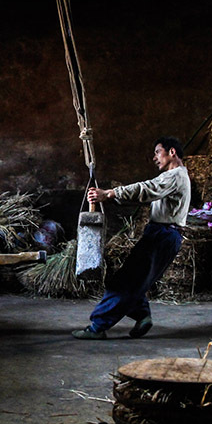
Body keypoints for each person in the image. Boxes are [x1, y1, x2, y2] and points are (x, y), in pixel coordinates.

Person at [72, 136, 191, 339]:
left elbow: (147, 189)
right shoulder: (175, 177)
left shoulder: (176, 175)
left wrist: (110, 194)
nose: (154, 157)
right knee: (135, 280)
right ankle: (142, 316)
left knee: (126, 281)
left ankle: (97, 327)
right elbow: (146, 194)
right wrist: (112, 197)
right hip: (161, 233)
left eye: (158, 152)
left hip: (163, 235)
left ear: (172, 152)